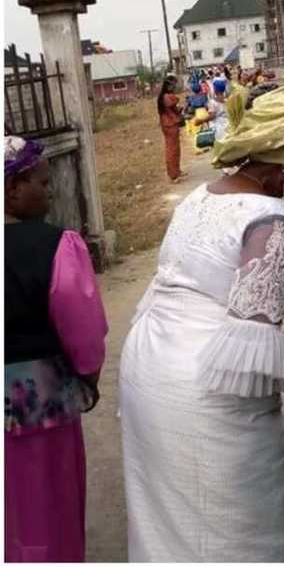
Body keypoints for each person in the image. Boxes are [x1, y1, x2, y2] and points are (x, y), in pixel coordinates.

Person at [118, 85, 284, 561]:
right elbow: (254, 339)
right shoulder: (271, 218)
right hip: (209, 387)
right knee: (242, 524)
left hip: (150, 369)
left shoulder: (200, 196)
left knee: (169, 520)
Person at [5, 136, 108, 561]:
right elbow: (84, 333)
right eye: (42, 184)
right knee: (47, 509)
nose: (50, 193)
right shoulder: (55, 246)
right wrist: (87, 377)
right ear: (12, 187)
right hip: (39, 408)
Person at [156, 75, 186, 183]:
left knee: (176, 149)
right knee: (172, 150)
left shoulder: (164, 96)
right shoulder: (167, 97)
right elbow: (174, 101)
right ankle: (173, 175)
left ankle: (176, 171)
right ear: (169, 85)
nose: (175, 87)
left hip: (171, 123)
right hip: (170, 125)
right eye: (174, 84)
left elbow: (174, 108)